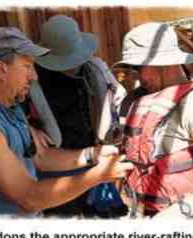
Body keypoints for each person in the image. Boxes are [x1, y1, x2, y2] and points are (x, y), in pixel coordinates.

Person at [0, 27, 133, 217]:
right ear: (1, 69)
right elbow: (28, 197)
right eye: (27, 66)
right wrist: (99, 174)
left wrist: (93, 154)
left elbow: (40, 158)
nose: (34, 76)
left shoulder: (9, 107)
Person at [113, 22, 193, 218]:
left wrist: (181, 211)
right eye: (133, 69)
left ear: (164, 63)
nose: (137, 76)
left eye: (139, 67)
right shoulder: (138, 100)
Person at [27, 15, 128, 217]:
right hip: (57, 168)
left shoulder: (93, 70)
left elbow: (118, 98)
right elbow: (3, 105)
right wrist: (27, 127)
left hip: (96, 158)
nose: (73, 65)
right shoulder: (32, 80)